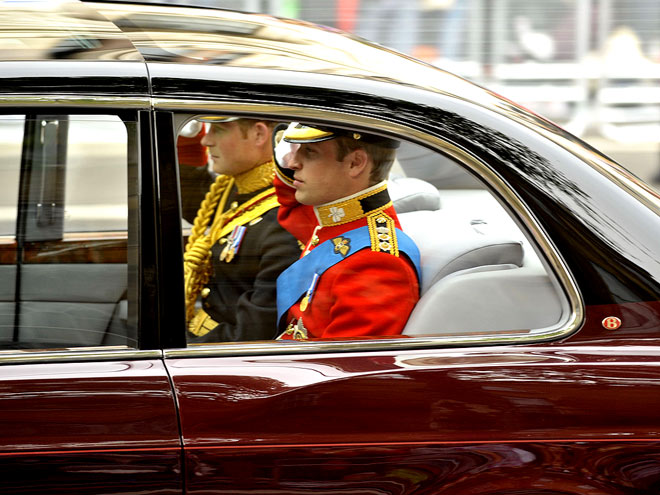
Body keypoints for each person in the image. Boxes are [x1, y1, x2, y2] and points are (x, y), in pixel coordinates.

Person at [272, 123, 421, 340]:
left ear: (355, 163)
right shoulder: (332, 216)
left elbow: (345, 368)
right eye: (297, 150)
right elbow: (288, 198)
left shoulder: (376, 262)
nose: (292, 163)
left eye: (310, 152)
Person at [179, 116, 301, 343]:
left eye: (219, 129)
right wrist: (185, 139)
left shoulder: (283, 219)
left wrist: (186, 346)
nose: (206, 140)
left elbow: (251, 336)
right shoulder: (235, 188)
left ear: (258, 134)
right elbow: (184, 197)